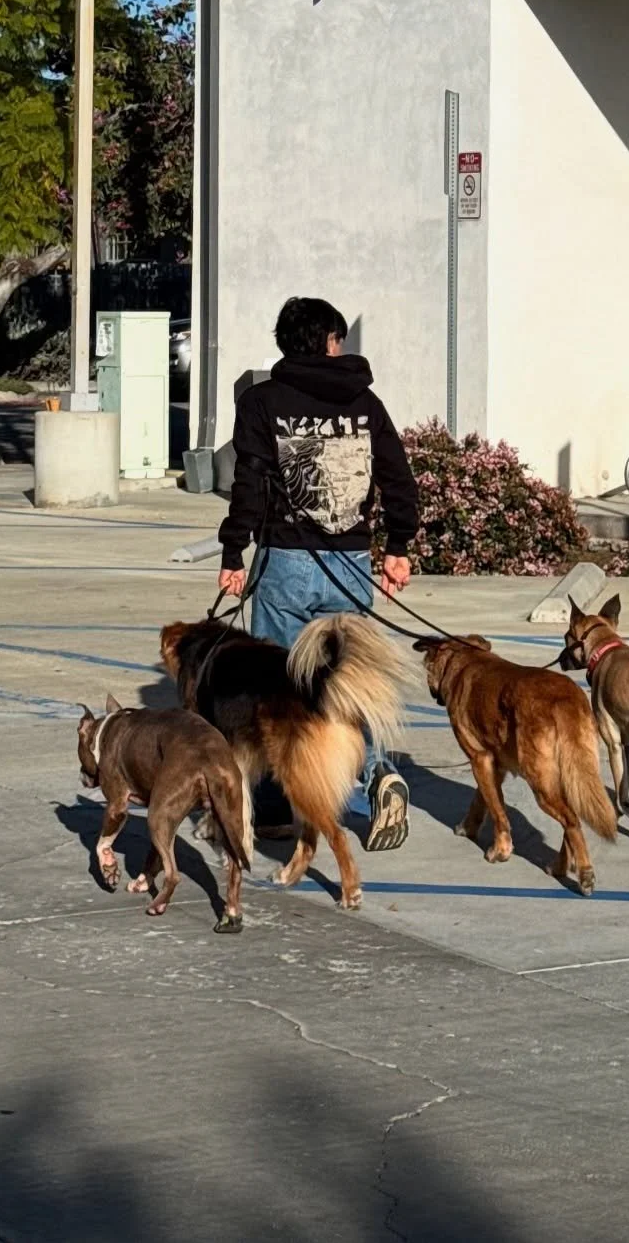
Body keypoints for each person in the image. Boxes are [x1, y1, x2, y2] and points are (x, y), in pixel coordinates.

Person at [217, 295, 419, 852]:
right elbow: (398, 478)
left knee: (282, 688)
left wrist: (234, 553)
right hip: (350, 564)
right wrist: (398, 546)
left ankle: (283, 806)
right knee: (353, 681)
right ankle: (379, 776)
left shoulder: (262, 402)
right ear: (329, 341)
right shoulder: (365, 403)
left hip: (283, 561)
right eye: (339, 338)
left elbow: (249, 483)